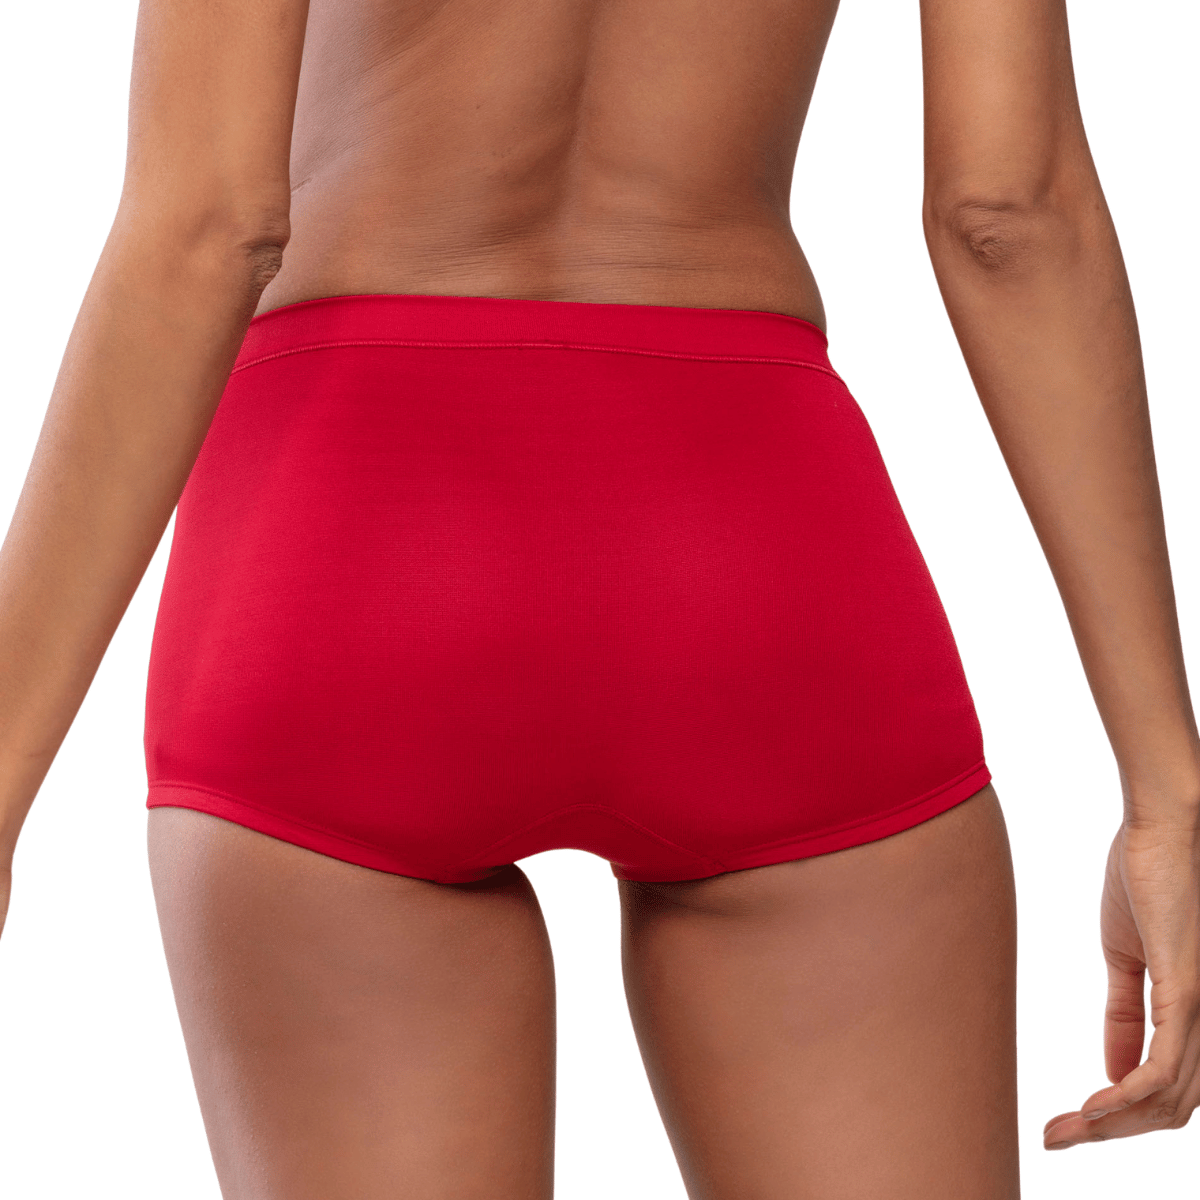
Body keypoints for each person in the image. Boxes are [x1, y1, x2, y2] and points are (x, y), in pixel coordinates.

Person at [0, 0, 1196, 1194]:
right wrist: (1166, 792)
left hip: (351, 538)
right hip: (758, 547)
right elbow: (1010, 211)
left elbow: (210, 229)